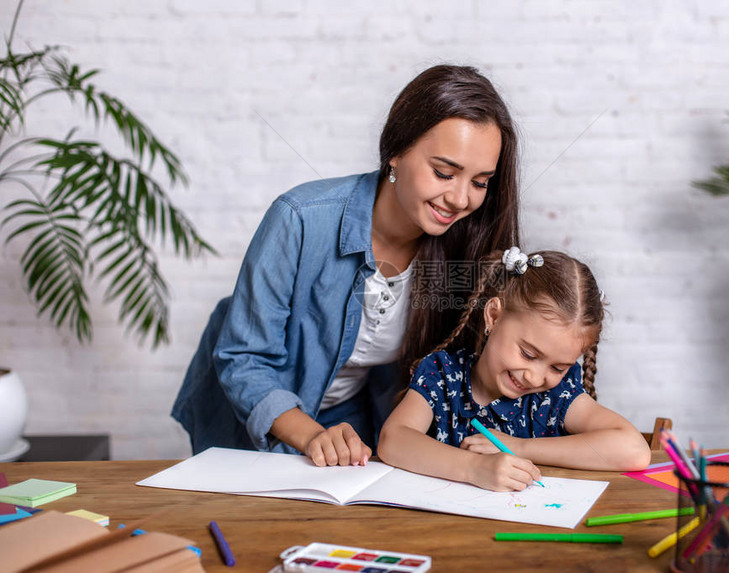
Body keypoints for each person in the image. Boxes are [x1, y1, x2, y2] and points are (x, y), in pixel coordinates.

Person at [171, 65, 522, 467]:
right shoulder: (300, 218)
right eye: (444, 172)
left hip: (353, 422)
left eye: (480, 182)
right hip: (254, 420)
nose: (460, 199)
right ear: (396, 151)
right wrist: (314, 437)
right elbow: (243, 358)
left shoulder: (466, 248)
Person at [377, 247, 652, 492]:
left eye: (557, 367)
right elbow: (394, 439)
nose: (534, 377)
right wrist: (474, 468)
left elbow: (634, 450)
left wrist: (518, 447)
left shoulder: (556, 396)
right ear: (493, 316)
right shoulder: (442, 375)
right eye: (528, 354)